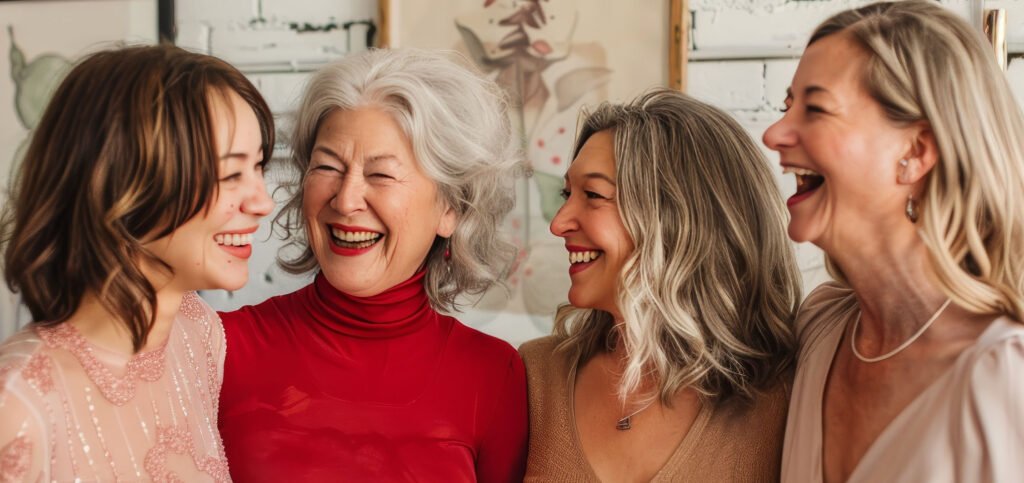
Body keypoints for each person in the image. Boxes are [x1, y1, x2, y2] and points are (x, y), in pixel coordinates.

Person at [217, 48, 528, 482]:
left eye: (381, 175)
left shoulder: (494, 375)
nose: (345, 200)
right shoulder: (222, 347)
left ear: (451, 208)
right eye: (327, 167)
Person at [762, 2, 1024, 481]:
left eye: (815, 108)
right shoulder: (817, 331)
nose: (774, 133)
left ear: (916, 151)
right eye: (786, 106)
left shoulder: (1002, 378)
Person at [0, 44, 275, 481]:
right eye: (231, 175)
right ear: (127, 182)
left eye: (259, 167)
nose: (263, 202)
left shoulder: (197, 334)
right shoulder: (18, 403)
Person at [520, 88, 801, 482]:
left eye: (593, 195)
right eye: (568, 194)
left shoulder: (787, 397)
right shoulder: (534, 377)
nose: (559, 222)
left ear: (678, 219)